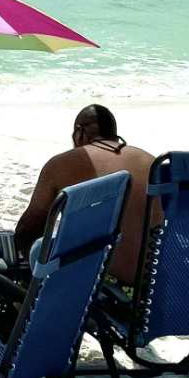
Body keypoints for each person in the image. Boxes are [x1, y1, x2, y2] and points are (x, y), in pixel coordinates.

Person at [13, 103, 155, 285]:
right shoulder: (150, 161)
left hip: (100, 291)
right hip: (154, 287)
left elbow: (27, 230)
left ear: (79, 133)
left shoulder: (63, 163)